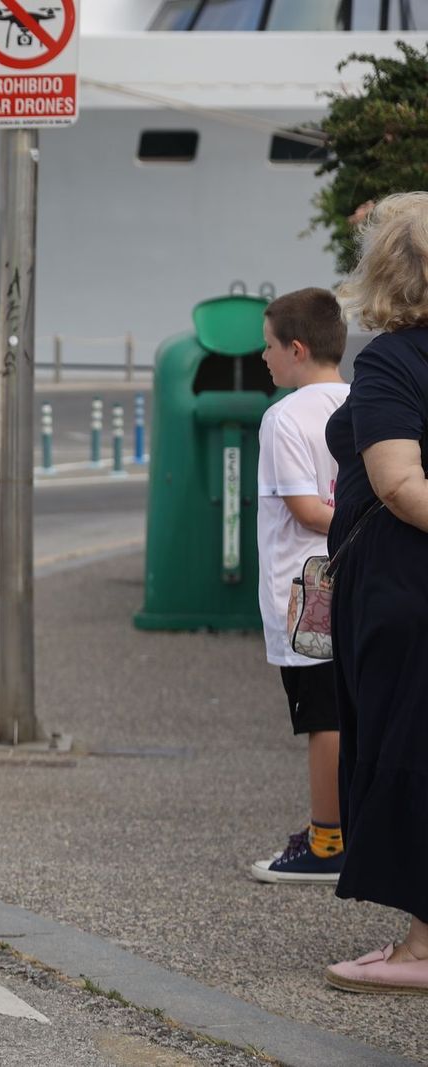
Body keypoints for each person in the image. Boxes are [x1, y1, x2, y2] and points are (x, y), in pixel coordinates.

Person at [322, 191, 428, 994]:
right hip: (397, 588)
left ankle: (423, 947)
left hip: (407, 590)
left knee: (408, 754)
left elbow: (399, 484)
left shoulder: (395, 360)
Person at [248, 288, 349, 884]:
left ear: (296, 348)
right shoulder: (364, 400)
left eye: (267, 347)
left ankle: (327, 842)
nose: (263, 358)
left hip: (308, 589)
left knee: (323, 716)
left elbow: (307, 510)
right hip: (363, 578)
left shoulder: (285, 416)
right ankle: (346, 829)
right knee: (352, 706)